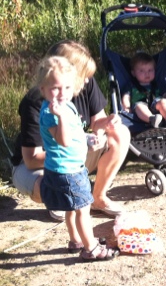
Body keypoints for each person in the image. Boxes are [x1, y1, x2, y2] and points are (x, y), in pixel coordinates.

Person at [11, 40, 130, 220]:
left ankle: (97, 198)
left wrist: (107, 122)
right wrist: (79, 146)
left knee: (120, 133)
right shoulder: (35, 101)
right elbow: (31, 160)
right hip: (36, 166)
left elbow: (97, 122)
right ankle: (60, 201)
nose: (88, 80)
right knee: (47, 186)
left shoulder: (84, 84)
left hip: (73, 155)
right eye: (84, 75)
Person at [36, 55, 119, 260]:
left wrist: (86, 139)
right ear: (43, 89)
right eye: (55, 88)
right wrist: (61, 117)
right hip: (67, 171)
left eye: (66, 87)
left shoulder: (66, 106)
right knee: (83, 209)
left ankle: (76, 240)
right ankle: (91, 249)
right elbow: (63, 140)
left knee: (72, 208)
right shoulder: (51, 113)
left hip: (72, 167)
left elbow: (73, 133)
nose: (62, 93)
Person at [121, 51, 166, 128]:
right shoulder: (130, 85)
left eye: (150, 70)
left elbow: (165, 94)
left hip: (156, 104)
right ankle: (152, 119)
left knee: (163, 102)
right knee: (139, 107)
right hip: (140, 104)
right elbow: (126, 97)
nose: (147, 73)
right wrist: (127, 107)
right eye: (142, 71)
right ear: (133, 73)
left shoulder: (157, 84)